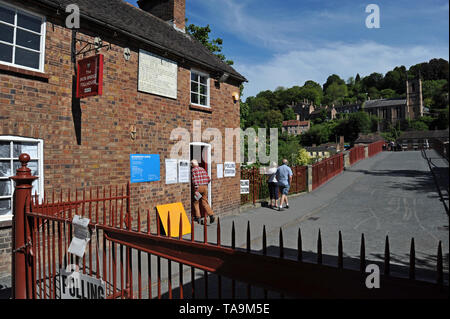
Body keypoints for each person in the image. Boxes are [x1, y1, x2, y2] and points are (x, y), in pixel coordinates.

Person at [191, 159, 215, 224]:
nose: (191, 166)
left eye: (191, 164)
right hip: (205, 187)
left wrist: (196, 190)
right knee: (204, 202)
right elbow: (208, 179)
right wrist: (205, 185)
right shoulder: (202, 169)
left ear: (193, 164)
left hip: (198, 188)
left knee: (196, 202)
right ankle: (211, 215)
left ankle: (198, 217)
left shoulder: (193, 170)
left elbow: (194, 180)